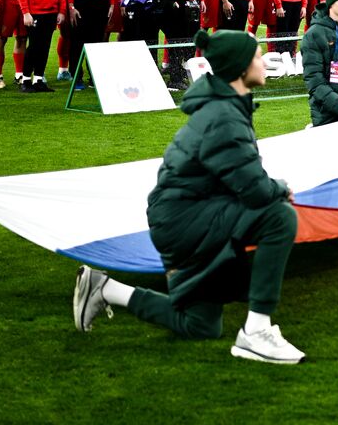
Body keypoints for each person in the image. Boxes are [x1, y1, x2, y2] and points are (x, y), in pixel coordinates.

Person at [71, 29, 305, 364]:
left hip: (181, 216)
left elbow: (239, 175)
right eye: (256, 56)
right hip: (184, 219)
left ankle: (105, 289)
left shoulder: (225, 107)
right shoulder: (224, 117)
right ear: (240, 68)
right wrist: (281, 187)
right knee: (278, 215)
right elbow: (254, 191)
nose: (264, 61)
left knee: (201, 325)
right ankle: (256, 331)